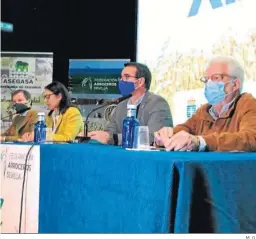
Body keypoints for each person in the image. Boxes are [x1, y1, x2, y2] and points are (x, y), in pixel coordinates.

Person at [155, 56, 256, 152]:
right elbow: (185, 130)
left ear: (235, 84)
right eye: (206, 79)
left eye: (216, 78)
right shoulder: (205, 111)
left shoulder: (248, 104)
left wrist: (201, 142)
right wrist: (166, 136)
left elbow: (251, 138)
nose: (209, 83)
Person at [88, 62, 173, 145]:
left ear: (140, 82)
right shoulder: (121, 106)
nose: (121, 81)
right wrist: (98, 135)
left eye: (127, 77)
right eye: (121, 77)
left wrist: (114, 139)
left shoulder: (157, 103)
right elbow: (110, 132)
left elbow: (153, 137)